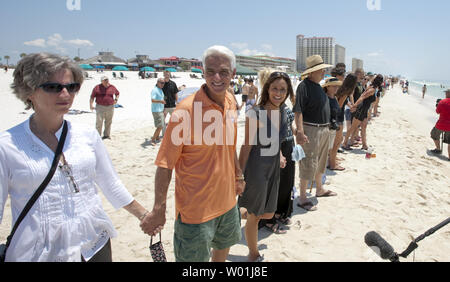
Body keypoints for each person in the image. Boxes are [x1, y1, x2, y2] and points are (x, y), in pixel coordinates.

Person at [1, 53, 148, 262]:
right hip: (39, 252)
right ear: (29, 91)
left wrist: (144, 215)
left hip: (94, 245)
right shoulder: (7, 146)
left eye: (72, 87)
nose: (65, 94)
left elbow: (109, 182)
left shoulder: (87, 135)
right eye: (53, 87)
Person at [140, 46, 244, 262]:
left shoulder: (231, 102)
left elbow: (230, 145)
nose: (217, 77)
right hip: (195, 211)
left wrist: (238, 174)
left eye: (223, 72)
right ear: (203, 72)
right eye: (211, 71)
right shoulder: (185, 112)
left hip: (227, 202)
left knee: (222, 250)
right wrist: (159, 208)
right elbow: (165, 164)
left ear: (233, 74)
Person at [238, 70, 292, 261]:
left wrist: (280, 154)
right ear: (267, 89)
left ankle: (240, 210)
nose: (278, 93)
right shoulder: (255, 113)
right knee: (255, 214)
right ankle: (253, 254)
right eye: (275, 88)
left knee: (267, 213)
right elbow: (246, 146)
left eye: (283, 90)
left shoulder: (282, 112)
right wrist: (238, 175)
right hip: (257, 168)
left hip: (274, 167)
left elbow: (274, 139)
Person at [293, 55, 337, 212]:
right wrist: (300, 131)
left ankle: (319, 189)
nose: (324, 71)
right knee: (308, 162)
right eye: (321, 69)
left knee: (320, 160)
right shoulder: (304, 86)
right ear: (312, 72)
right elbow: (298, 110)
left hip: (323, 129)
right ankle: (303, 197)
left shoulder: (318, 86)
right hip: (310, 129)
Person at [344, 74, 384, 151]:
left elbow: (363, 95)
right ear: (380, 82)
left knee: (364, 127)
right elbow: (362, 97)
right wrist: (354, 106)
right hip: (361, 110)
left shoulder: (372, 88)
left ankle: (364, 145)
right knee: (353, 127)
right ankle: (344, 143)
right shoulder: (372, 90)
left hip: (364, 110)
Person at [430, 89, 450, 160]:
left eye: (446, 93)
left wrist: (438, 105)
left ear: (448, 93)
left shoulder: (442, 101)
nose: (445, 94)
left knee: (434, 134)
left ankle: (438, 149)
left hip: (441, 124)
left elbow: (437, 112)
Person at [162, 70, 178, 137]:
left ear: (170, 75)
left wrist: (177, 102)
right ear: (163, 75)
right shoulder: (161, 83)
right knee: (162, 121)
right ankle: (164, 134)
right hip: (164, 106)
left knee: (176, 120)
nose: (167, 75)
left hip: (172, 105)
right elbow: (157, 93)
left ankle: (175, 133)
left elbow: (175, 93)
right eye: (165, 74)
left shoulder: (173, 83)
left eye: (168, 74)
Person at [150, 78, 166, 145]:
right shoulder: (155, 90)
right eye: (161, 83)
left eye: (163, 83)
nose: (163, 84)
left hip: (160, 110)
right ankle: (153, 139)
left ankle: (157, 137)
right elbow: (152, 100)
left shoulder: (160, 90)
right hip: (156, 110)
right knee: (160, 126)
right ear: (158, 82)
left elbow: (161, 99)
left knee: (161, 125)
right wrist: (161, 101)